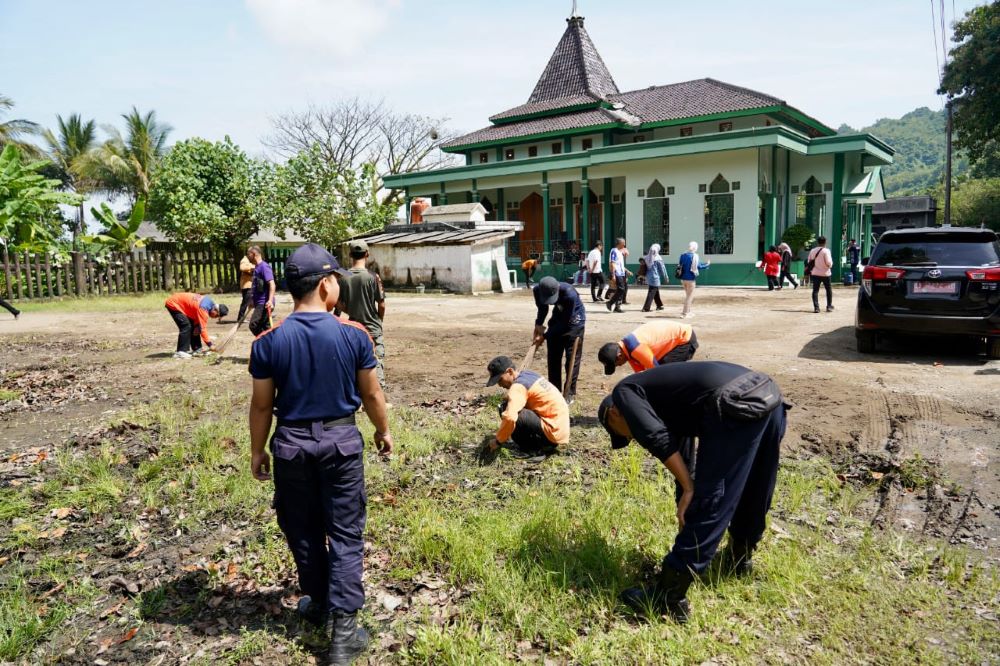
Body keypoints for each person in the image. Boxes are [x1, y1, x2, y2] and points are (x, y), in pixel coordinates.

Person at [248, 243, 393, 666]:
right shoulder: (354, 335)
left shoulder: (268, 341)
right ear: (327, 284)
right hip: (340, 444)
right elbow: (372, 394)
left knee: (303, 528)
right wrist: (383, 430)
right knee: (345, 532)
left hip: (291, 447)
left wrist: (257, 450)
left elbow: (261, 405)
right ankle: (343, 633)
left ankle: (319, 602)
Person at [598, 361, 788, 623]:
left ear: (614, 414)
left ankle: (669, 597)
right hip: (768, 395)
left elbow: (657, 439)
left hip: (733, 402)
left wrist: (691, 491)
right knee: (755, 486)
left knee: (712, 498)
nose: (631, 439)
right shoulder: (669, 402)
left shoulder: (625, 392)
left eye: (623, 435)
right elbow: (685, 464)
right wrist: (686, 503)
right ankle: (739, 560)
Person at [485, 355, 569, 460]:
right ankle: (541, 444)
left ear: (510, 372)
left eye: (500, 380)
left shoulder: (518, 387)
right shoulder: (528, 375)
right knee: (510, 404)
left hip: (552, 434)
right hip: (559, 429)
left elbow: (510, 417)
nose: (499, 385)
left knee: (506, 409)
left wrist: (498, 441)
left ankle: (531, 449)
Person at [338, 240, 387, 390]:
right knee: (376, 361)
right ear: (367, 254)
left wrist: (349, 311)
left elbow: (337, 304)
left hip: (352, 329)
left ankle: (356, 395)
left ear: (350, 254)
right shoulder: (373, 276)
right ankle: (379, 395)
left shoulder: (343, 276)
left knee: (354, 363)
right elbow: (381, 304)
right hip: (373, 329)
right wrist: (379, 321)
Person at [533, 275, 585, 403]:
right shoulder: (537, 290)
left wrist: (545, 336)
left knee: (572, 359)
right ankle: (554, 390)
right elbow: (542, 308)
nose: (550, 302)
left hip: (573, 322)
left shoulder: (569, 294)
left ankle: (569, 393)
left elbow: (565, 323)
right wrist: (538, 325)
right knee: (553, 357)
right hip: (557, 318)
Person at [597, 321, 698, 375]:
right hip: (676, 341)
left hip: (684, 339)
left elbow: (656, 372)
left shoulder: (636, 348)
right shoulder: (628, 351)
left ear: (619, 356)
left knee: (664, 373)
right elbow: (641, 375)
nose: (619, 366)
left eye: (617, 364)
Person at [164, 292, 228, 359]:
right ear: (215, 310)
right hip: (174, 303)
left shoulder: (210, 304)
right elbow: (203, 329)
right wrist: (210, 345)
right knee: (186, 326)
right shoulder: (204, 309)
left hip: (180, 302)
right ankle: (181, 352)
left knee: (196, 327)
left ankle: (197, 349)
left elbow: (197, 313)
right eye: (216, 315)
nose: (215, 318)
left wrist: (197, 325)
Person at [247, 246, 276, 335]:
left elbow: (272, 284)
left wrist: (270, 300)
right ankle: (272, 341)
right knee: (265, 327)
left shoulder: (264, 267)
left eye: (248, 254)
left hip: (264, 303)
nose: (247, 257)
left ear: (253, 254)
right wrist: (252, 300)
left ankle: (264, 341)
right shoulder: (257, 267)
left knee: (254, 325)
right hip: (258, 302)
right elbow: (256, 286)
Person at [678, 242, 710, 318]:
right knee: (689, 297)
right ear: (695, 248)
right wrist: (707, 264)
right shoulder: (695, 256)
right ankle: (685, 313)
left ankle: (688, 312)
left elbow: (680, 265)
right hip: (690, 279)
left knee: (688, 295)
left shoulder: (683, 255)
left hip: (683, 279)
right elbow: (698, 266)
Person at [807, 236, 834, 313]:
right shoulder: (826, 251)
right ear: (825, 242)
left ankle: (816, 308)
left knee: (815, 291)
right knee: (828, 290)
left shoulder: (812, 251)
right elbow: (829, 262)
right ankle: (829, 306)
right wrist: (830, 266)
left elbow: (809, 261)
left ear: (818, 242)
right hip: (826, 274)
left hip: (815, 273)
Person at [606, 238, 632, 313]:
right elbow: (612, 263)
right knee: (621, 289)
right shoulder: (614, 251)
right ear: (619, 243)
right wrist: (613, 275)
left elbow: (620, 265)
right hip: (617, 273)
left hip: (621, 273)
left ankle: (617, 307)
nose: (624, 245)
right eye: (623, 243)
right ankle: (610, 303)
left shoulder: (619, 252)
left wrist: (627, 271)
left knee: (621, 290)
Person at [641, 244, 669, 311]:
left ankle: (659, 305)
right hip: (655, 277)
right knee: (652, 291)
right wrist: (666, 277)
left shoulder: (646, 257)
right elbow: (662, 269)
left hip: (648, 277)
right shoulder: (658, 258)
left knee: (655, 290)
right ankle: (646, 308)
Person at [237, 250, 255, 322]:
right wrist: (252, 267)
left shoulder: (249, 261)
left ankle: (260, 315)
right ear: (249, 254)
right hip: (246, 285)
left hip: (249, 284)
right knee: (245, 302)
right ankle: (240, 318)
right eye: (252, 255)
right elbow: (242, 268)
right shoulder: (244, 260)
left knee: (252, 301)